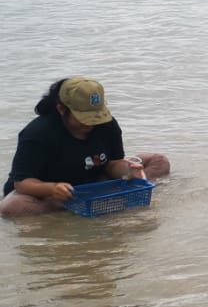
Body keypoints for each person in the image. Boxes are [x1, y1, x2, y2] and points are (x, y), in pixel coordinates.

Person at [3, 78, 172, 218]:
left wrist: (130, 172)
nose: (91, 123)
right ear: (62, 109)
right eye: (83, 118)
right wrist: (53, 189)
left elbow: (112, 163)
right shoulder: (37, 133)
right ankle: (69, 208)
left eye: (96, 116)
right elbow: (22, 183)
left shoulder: (107, 125)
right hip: (52, 193)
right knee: (12, 208)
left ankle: (122, 195)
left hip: (93, 180)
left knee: (159, 161)